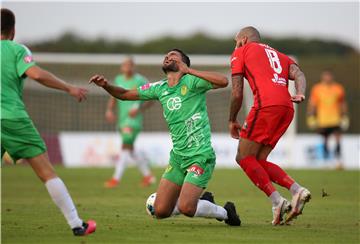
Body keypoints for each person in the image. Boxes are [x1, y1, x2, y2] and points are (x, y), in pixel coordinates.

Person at [89, 49, 241, 226]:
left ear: (183, 63)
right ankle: (202, 202)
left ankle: (226, 212)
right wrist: (106, 86)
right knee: (160, 211)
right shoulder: (159, 88)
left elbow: (223, 81)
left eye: (173, 55)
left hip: (200, 155)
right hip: (177, 158)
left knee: (186, 208)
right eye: (166, 56)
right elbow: (123, 94)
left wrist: (188, 70)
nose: (168, 57)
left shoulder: (192, 81)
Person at [1, 8, 96, 236]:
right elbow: (37, 74)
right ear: (13, 31)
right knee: (46, 172)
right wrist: (69, 87)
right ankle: (76, 224)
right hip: (12, 118)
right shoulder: (16, 49)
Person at [228, 26, 311, 225]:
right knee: (258, 160)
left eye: (236, 41)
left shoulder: (241, 51)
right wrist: (299, 92)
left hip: (266, 106)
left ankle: (278, 201)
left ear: (244, 39)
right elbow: (299, 74)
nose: (236, 45)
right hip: (286, 108)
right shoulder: (279, 55)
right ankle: (297, 191)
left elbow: (237, 92)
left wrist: (232, 119)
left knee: (243, 157)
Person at [104, 57, 156, 188]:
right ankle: (148, 176)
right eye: (125, 64)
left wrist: (140, 108)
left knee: (125, 146)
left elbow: (153, 96)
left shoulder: (140, 80)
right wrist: (109, 110)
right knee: (131, 149)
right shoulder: (118, 79)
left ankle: (115, 179)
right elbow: (113, 96)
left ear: (134, 66)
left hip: (133, 121)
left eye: (130, 64)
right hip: (122, 119)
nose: (127, 67)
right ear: (122, 67)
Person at [307, 70, 348, 169]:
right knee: (325, 140)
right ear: (323, 77)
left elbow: (342, 103)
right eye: (326, 76)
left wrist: (345, 116)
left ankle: (338, 160)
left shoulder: (338, 88)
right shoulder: (317, 89)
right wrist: (311, 116)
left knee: (338, 139)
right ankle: (326, 161)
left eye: (329, 76)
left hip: (335, 119)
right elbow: (313, 104)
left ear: (332, 77)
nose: (327, 78)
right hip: (323, 120)